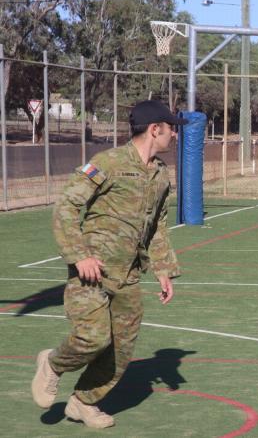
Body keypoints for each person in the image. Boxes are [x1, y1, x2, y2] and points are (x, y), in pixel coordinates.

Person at [31, 100, 183, 428]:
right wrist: (78, 254)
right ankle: (53, 364)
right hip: (92, 271)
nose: (174, 134)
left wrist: (163, 269)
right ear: (155, 129)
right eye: (171, 128)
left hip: (128, 274)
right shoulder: (109, 162)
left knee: (121, 349)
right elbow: (67, 206)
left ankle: (83, 402)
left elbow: (157, 224)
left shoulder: (160, 175)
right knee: (93, 338)